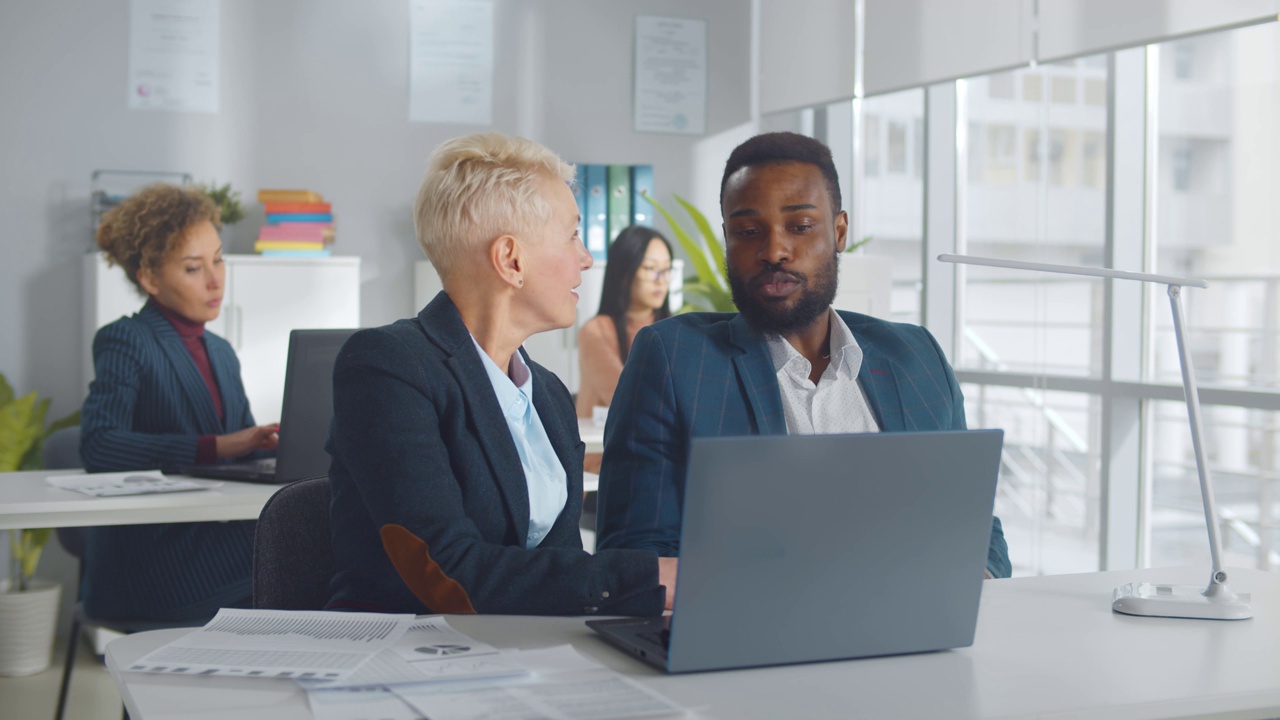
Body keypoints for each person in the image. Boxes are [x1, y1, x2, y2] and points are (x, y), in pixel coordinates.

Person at [596, 131, 1012, 579]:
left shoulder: (916, 357)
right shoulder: (677, 359)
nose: (774, 250)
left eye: (800, 226)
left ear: (839, 232)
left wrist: (966, 587)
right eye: (748, 231)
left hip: (910, 633)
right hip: (752, 634)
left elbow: (977, 529)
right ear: (728, 241)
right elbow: (635, 552)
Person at [325, 133, 677, 616]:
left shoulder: (549, 394)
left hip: (524, 652)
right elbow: (449, 573)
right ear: (511, 260)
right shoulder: (388, 367)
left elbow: (563, 569)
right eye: (573, 234)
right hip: (412, 656)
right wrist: (646, 576)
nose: (587, 259)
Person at [79, 183, 280, 622]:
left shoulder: (222, 352)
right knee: (303, 566)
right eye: (193, 268)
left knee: (318, 543)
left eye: (219, 260)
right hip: (158, 555)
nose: (215, 280)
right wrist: (219, 446)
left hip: (216, 532)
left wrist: (269, 443)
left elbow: (240, 451)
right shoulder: (126, 340)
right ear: (150, 279)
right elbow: (99, 445)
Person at [576, 225, 673, 472]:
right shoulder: (596, 331)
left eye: (666, 269)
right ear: (624, 273)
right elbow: (630, 399)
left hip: (657, 457)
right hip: (605, 465)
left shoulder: (675, 330)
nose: (660, 279)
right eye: (650, 268)